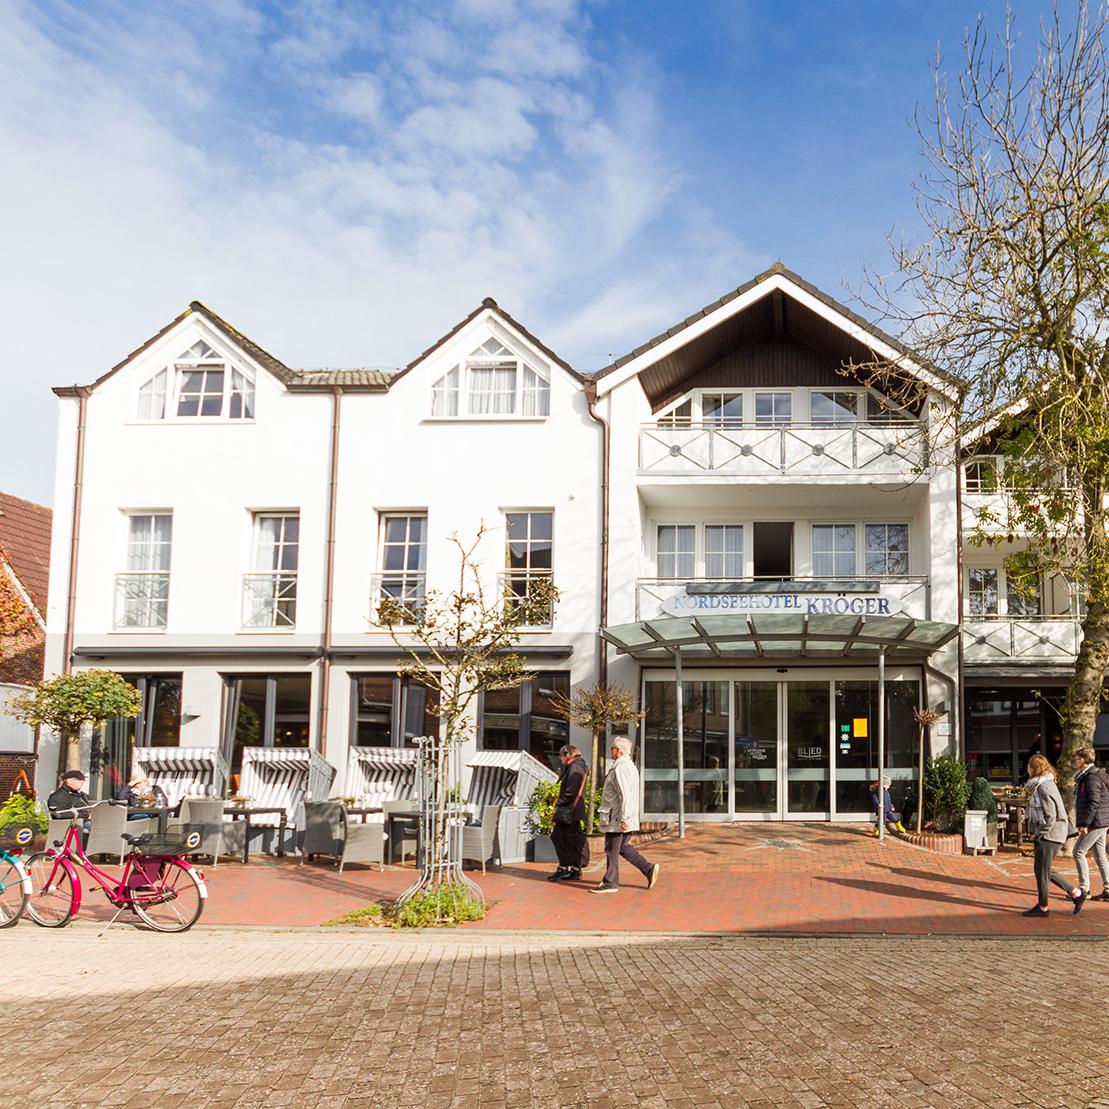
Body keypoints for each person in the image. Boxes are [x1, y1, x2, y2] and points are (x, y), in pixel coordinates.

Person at [590, 736, 660, 894]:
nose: (611, 751)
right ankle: (648, 869)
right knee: (623, 847)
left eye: (612, 748)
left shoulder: (621, 768)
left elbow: (624, 794)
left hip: (617, 816)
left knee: (612, 849)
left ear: (619, 750)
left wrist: (624, 817)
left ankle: (610, 882)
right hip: (621, 815)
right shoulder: (629, 766)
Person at [1024, 754, 1086, 916]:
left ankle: (1043, 907)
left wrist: (1040, 833)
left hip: (1050, 835)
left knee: (1041, 872)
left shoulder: (1042, 786)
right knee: (1044, 870)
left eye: (1029, 766)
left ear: (1034, 768)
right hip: (1054, 834)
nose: (1027, 769)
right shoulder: (1046, 783)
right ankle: (1076, 893)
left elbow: (1050, 814)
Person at [547, 744, 590, 882]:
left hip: (569, 810)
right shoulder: (579, 765)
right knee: (573, 839)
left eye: (561, 756)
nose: (560, 759)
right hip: (574, 810)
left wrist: (558, 804)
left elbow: (571, 791)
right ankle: (575, 869)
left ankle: (564, 867)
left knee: (558, 837)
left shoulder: (575, 767)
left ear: (567, 754)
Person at [1072, 746, 1109, 901]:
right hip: (1101, 821)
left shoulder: (1091, 777)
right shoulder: (1090, 775)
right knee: (1099, 855)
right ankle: (1108, 888)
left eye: (1076, 758)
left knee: (1078, 852)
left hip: (1096, 822)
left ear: (1082, 760)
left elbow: (1094, 802)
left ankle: (1084, 889)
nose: (1074, 761)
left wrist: (1085, 824)